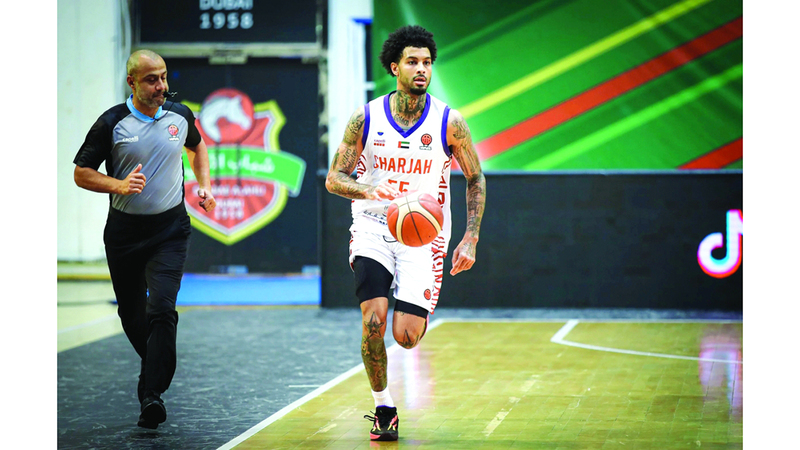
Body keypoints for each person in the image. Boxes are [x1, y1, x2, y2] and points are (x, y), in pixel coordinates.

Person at [325, 25, 486, 441]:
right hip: (373, 224)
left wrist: (470, 238)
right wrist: (367, 190)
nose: (421, 69)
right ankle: (384, 407)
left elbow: (475, 178)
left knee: (407, 337)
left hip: (424, 234)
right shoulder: (366, 118)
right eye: (413, 62)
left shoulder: (450, 122)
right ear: (395, 67)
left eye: (427, 62)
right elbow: (334, 178)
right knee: (373, 321)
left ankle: (414, 310)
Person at [73, 49, 216, 429]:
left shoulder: (179, 115)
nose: (161, 86)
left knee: (162, 309)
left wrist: (204, 185)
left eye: (164, 77)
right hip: (124, 234)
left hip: (170, 230)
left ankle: (151, 394)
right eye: (152, 80)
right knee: (132, 315)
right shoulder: (111, 123)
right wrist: (118, 185)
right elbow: (82, 173)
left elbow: (197, 145)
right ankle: (155, 370)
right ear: (132, 82)